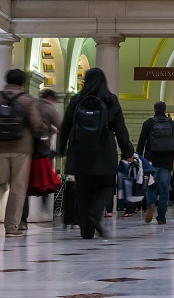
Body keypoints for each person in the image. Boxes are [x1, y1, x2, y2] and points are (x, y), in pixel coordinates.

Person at [59, 68, 134, 239]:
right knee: (107, 186)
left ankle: (86, 231)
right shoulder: (110, 100)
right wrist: (127, 152)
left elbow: (66, 127)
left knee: (84, 191)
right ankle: (94, 212)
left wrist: (61, 149)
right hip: (104, 151)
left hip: (80, 151)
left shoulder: (77, 99)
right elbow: (121, 130)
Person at [0, 70, 42, 237]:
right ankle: (11, 227)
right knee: (18, 188)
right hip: (21, 148)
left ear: (6, 80)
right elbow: (36, 124)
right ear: (23, 83)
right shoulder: (28, 100)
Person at [137, 101, 174, 225]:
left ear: (154, 110)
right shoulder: (172, 124)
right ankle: (161, 217)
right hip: (167, 161)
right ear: (165, 110)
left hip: (150, 160)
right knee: (164, 189)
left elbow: (141, 142)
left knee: (151, 187)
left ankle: (151, 204)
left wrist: (139, 159)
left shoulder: (148, 123)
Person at [20, 88, 61, 230]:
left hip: (27, 151)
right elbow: (61, 125)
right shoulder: (49, 109)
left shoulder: (32, 105)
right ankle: (44, 208)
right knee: (46, 181)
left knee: (24, 187)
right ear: (51, 98)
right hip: (43, 151)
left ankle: (22, 220)